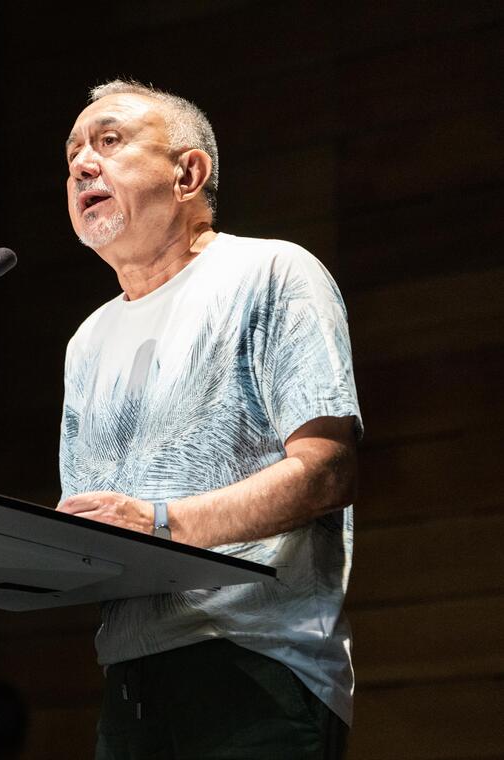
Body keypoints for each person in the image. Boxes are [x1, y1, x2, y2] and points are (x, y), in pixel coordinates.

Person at [56, 79, 361, 759]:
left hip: (259, 668)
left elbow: (327, 470)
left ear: (188, 172)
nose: (81, 165)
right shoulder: (85, 341)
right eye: (72, 153)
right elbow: (101, 525)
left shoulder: (272, 273)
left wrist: (163, 524)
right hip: (127, 684)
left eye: (109, 141)